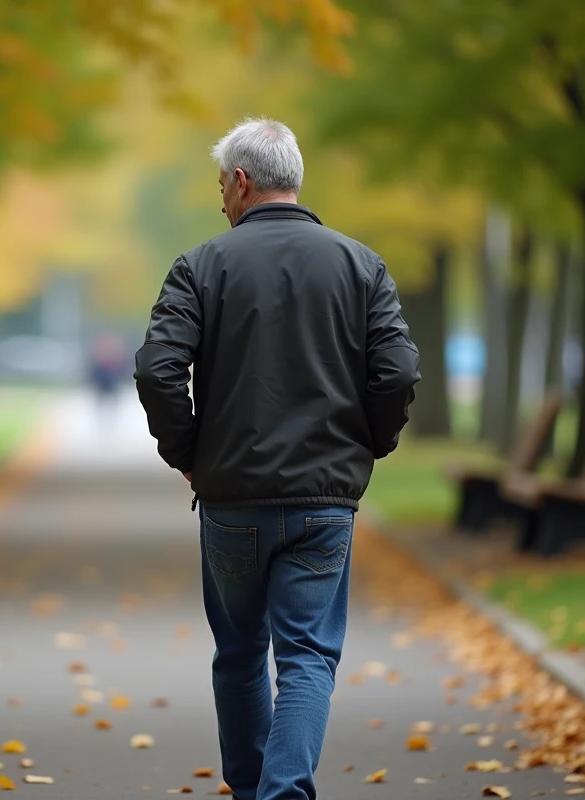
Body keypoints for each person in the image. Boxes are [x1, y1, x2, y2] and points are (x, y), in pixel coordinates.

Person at [134, 118, 421, 800]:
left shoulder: (200, 266)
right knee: (308, 658)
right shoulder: (361, 265)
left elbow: (157, 370)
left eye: (220, 187)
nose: (219, 202)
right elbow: (399, 372)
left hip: (233, 500)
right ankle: (283, 790)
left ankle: (251, 789)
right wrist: (369, 444)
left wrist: (189, 454)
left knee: (238, 657)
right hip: (325, 501)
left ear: (240, 181)